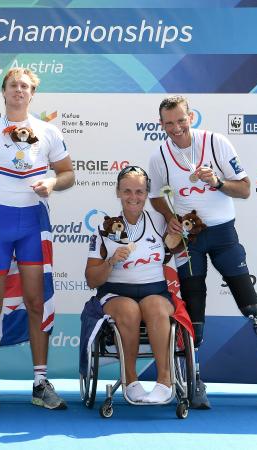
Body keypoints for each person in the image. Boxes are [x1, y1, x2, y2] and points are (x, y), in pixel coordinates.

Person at [148, 95, 257, 412]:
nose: (176, 128)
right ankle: (195, 383)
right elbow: (154, 198)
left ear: (191, 117)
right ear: (161, 125)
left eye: (181, 120)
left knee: (251, 305)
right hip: (190, 240)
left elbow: (245, 188)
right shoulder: (160, 155)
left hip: (223, 234)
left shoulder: (216, 142)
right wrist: (172, 217)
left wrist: (218, 182)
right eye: (169, 124)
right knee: (194, 311)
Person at [0, 68, 75, 410]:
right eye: (13, 85)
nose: (18, 91)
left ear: (32, 94)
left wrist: (53, 183)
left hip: (33, 224)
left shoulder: (48, 131)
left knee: (36, 302)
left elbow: (68, 173)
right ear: (3, 91)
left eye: (24, 86)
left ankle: (40, 382)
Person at [85, 166, 176, 404]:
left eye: (139, 191)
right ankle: (131, 378)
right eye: (127, 191)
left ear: (147, 194)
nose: (133, 197)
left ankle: (164, 381)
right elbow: (91, 279)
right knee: (129, 309)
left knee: (155, 306)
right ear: (117, 192)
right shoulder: (104, 228)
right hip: (115, 294)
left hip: (155, 290)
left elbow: (179, 245)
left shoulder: (160, 222)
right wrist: (111, 262)